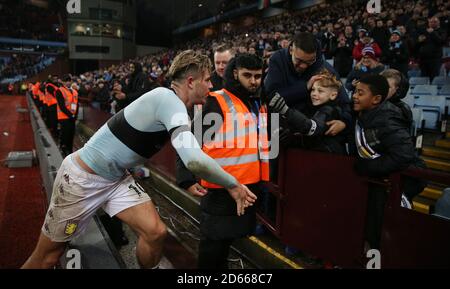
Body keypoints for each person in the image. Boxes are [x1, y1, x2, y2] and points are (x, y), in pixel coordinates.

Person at [21, 50, 257, 269]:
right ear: (191, 82)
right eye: (207, 80)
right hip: (82, 178)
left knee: (155, 232)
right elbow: (193, 160)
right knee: (48, 257)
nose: (211, 85)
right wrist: (233, 185)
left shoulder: (173, 106)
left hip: (114, 179)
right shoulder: (167, 100)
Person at [176, 54, 268, 269]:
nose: (253, 81)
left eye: (258, 76)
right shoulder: (217, 101)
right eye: (247, 75)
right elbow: (189, 141)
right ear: (235, 73)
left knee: (224, 246)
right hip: (220, 190)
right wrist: (186, 178)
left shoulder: (258, 103)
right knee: (213, 248)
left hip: (247, 188)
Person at [352, 74, 425, 250]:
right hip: (382, 183)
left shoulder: (387, 118)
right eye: (355, 91)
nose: (354, 96)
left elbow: (403, 154)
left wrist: (367, 167)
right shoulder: (365, 111)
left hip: (398, 186)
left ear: (376, 99)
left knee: (384, 235)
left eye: (360, 93)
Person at [264, 32, 352, 137]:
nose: (303, 66)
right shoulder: (278, 60)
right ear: (291, 50)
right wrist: (304, 87)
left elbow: (344, 102)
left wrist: (344, 123)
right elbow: (271, 97)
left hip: (310, 131)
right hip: (278, 127)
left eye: (310, 61)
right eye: (299, 60)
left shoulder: (324, 68)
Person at [269, 69, 346, 154]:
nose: (314, 93)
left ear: (333, 95)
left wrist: (286, 111)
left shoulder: (329, 110)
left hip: (327, 158)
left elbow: (312, 128)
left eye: (320, 91)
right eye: (313, 89)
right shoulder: (310, 106)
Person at [55, 75, 79, 157]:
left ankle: (69, 149)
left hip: (72, 117)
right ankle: (63, 149)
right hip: (64, 117)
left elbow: (76, 104)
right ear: (63, 81)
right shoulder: (59, 91)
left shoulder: (75, 91)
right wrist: (70, 115)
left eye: (69, 80)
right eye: (66, 81)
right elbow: (62, 106)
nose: (68, 82)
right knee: (65, 134)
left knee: (71, 134)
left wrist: (75, 115)